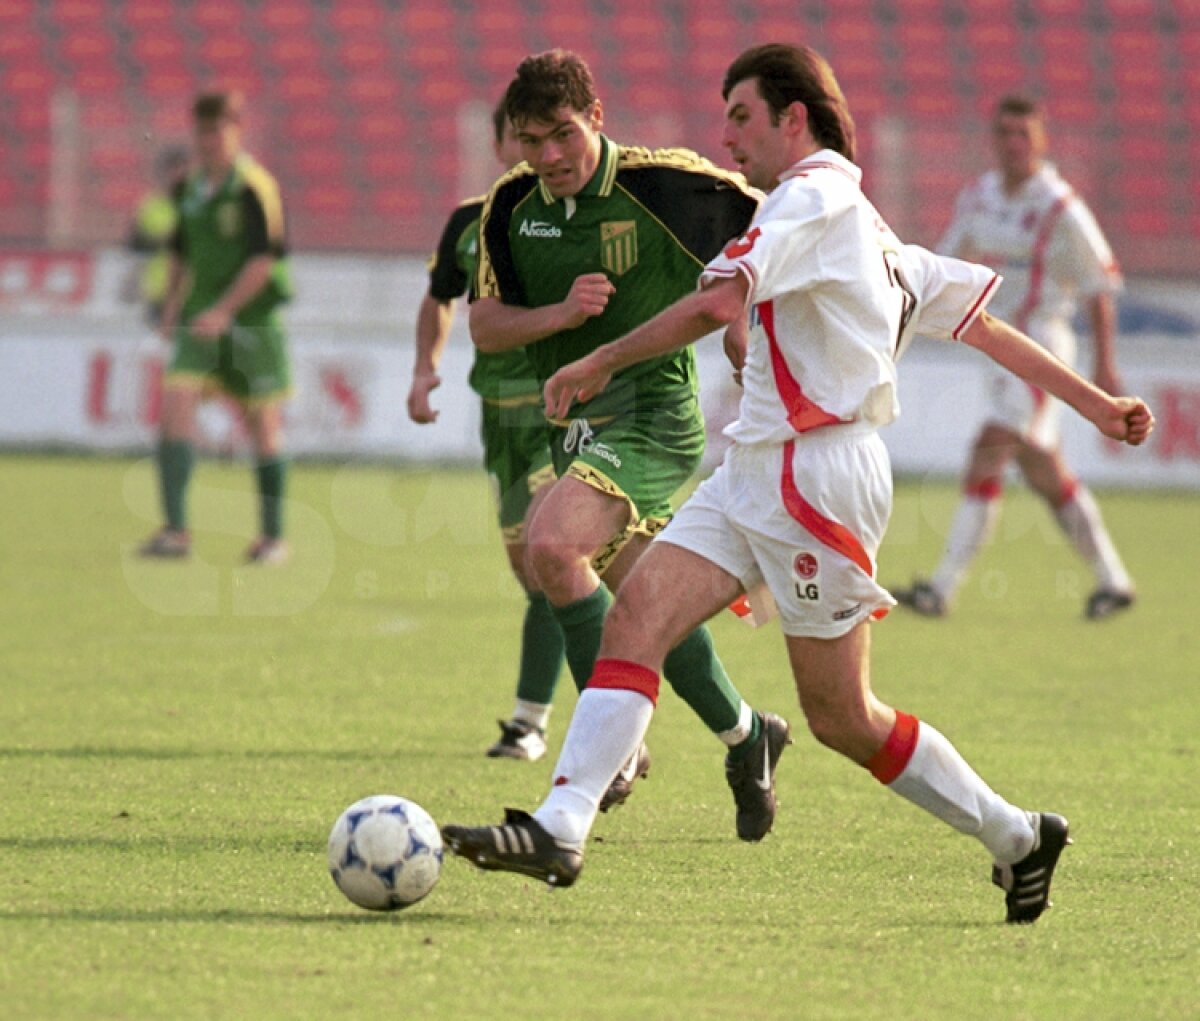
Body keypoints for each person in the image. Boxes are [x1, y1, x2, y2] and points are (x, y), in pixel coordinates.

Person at [441, 44, 1155, 923]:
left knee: (844, 716)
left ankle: (1018, 835)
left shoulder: (810, 198)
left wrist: (601, 358)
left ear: (794, 117)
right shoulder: (865, 228)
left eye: (741, 115)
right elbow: (986, 326)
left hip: (817, 475)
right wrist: (1096, 405)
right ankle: (562, 823)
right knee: (636, 618)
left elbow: (714, 303)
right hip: (757, 462)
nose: (727, 134)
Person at [466, 49, 792, 839]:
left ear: (597, 119)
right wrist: (561, 318)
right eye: (530, 140)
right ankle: (750, 736)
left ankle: (609, 751)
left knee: (552, 543)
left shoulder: (669, 186)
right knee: (646, 606)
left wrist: (745, 325)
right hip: (575, 424)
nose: (548, 156)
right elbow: (483, 323)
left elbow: (788, 232)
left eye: (563, 135)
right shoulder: (510, 206)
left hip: (653, 415)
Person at [893, 94, 1135, 621]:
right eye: (1004, 133)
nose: (1012, 144)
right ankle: (1113, 581)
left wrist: (1104, 365)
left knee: (990, 446)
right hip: (997, 347)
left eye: (1023, 134)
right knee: (1044, 471)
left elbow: (1101, 285)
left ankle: (941, 588)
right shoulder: (980, 197)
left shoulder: (1060, 207)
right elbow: (945, 260)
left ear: (1042, 142)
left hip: (1042, 346)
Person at [406, 102, 566, 762]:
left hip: (560, 413)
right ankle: (608, 694)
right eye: (518, 134)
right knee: (533, 577)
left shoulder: (565, 218)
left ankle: (535, 721)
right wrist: (424, 370)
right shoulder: (469, 223)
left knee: (554, 561)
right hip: (499, 419)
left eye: (540, 136)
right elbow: (440, 296)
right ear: (500, 141)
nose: (528, 147)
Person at [138, 89, 294, 564]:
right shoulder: (187, 188)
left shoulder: (254, 188)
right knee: (175, 406)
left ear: (237, 131)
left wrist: (224, 310)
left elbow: (264, 262)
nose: (209, 141)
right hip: (199, 320)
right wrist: (171, 310)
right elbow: (182, 254)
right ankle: (176, 532)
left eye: (217, 130)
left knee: (261, 426)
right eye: (202, 131)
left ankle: (272, 539)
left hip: (249, 319)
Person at [125, 144, 191, 326]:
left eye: (181, 168)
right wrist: (166, 240)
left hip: (191, 292)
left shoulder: (200, 206)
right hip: (159, 291)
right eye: (172, 169)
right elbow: (134, 245)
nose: (177, 175)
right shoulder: (150, 206)